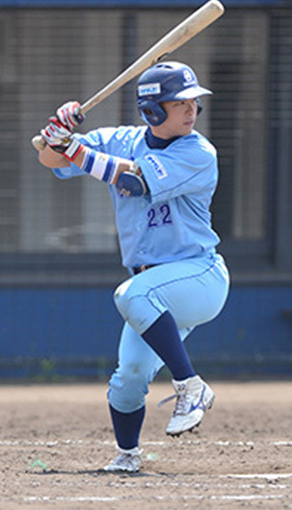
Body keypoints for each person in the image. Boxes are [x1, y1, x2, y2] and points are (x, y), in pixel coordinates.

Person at [36, 61, 230, 473]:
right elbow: (51, 160)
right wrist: (56, 132)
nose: (192, 109)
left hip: (197, 276)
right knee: (129, 379)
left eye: (193, 101)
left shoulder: (198, 152)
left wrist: (71, 146)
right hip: (152, 288)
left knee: (130, 295)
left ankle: (190, 387)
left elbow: (133, 182)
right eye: (179, 103)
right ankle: (127, 456)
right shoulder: (120, 140)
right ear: (153, 110)